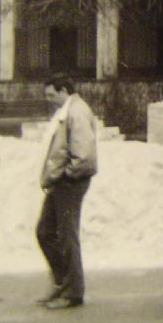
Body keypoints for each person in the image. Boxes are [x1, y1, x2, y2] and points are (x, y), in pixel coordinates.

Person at [35, 74, 98, 310]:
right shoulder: (66, 111)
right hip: (60, 181)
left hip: (70, 182)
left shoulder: (77, 112)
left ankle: (73, 293)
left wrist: (67, 176)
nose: (48, 99)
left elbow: (84, 156)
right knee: (44, 232)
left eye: (51, 95)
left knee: (66, 236)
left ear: (64, 91)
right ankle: (62, 282)